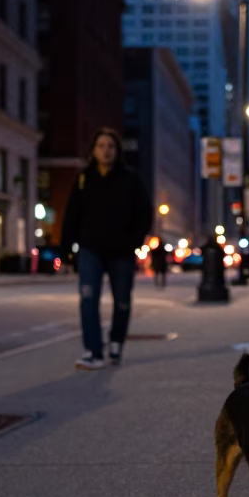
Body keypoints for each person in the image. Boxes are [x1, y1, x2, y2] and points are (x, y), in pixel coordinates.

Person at [60, 128, 153, 370]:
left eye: (110, 146)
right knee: (88, 299)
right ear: (93, 150)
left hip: (121, 252)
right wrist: (66, 250)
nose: (105, 150)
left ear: (117, 150)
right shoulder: (83, 179)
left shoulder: (130, 179)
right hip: (90, 250)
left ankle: (116, 342)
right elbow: (71, 216)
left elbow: (144, 214)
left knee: (122, 301)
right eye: (100, 146)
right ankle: (93, 351)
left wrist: (133, 242)